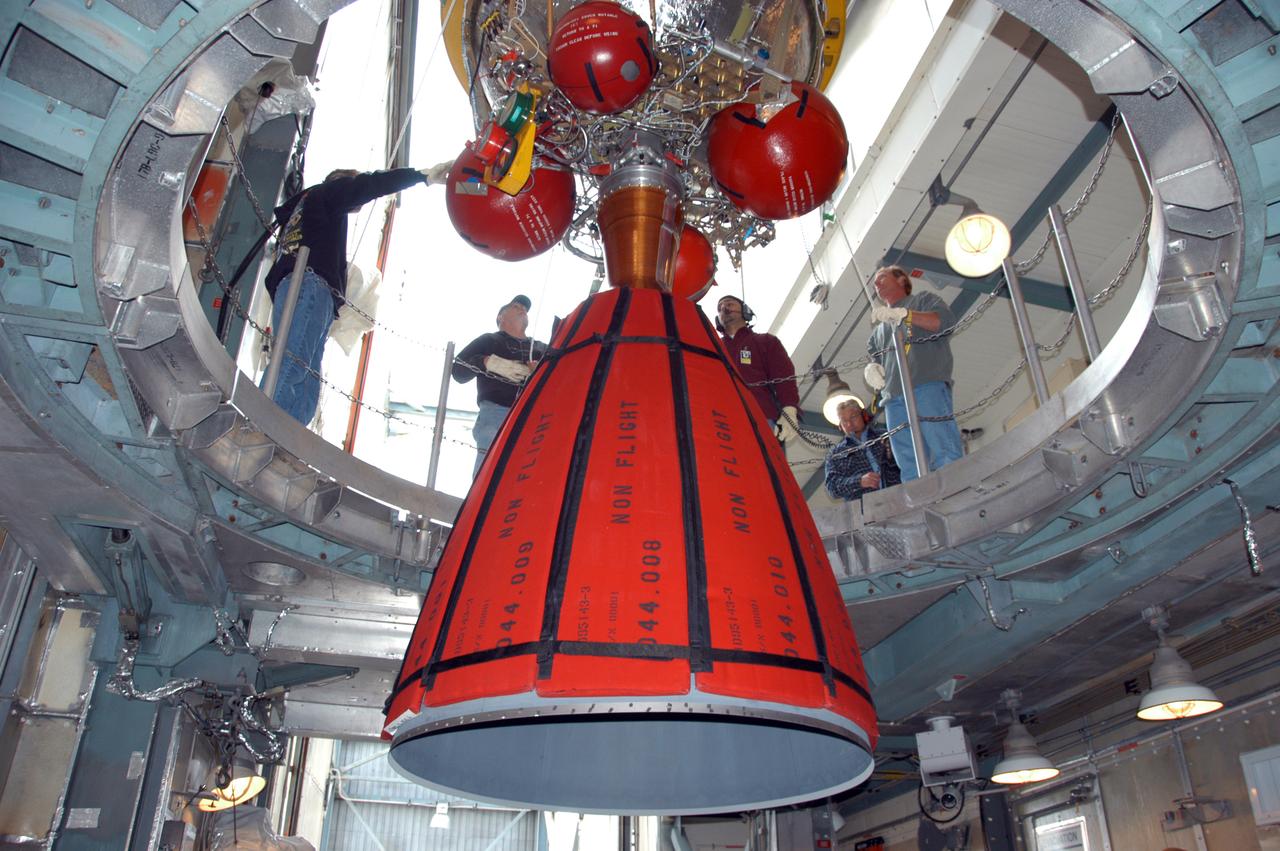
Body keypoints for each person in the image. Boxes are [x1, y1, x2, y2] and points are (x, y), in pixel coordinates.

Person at [263, 162, 451, 425]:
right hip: (309, 285)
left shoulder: (304, 204)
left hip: (292, 284)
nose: (357, 203)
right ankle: (259, 426)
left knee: (305, 374)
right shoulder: (331, 192)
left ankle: (286, 434)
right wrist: (420, 176)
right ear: (342, 181)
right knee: (295, 362)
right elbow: (371, 185)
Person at [864, 265, 964, 481]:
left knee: (941, 444)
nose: (877, 285)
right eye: (874, 283)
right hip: (893, 398)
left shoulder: (923, 300)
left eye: (882, 278)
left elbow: (943, 323)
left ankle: (956, 487)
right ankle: (920, 500)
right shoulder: (879, 331)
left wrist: (905, 315)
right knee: (907, 461)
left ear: (901, 280)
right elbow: (875, 356)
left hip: (926, 383)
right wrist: (872, 368)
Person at [453, 295, 547, 475]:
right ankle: (482, 501)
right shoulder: (489, 340)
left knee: (530, 469)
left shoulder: (542, 348)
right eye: (516, 306)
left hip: (535, 415)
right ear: (500, 317)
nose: (523, 309)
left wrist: (543, 368)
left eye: (525, 308)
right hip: (496, 411)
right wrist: (486, 362)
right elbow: (458, 371)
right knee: (489, 469)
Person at [715, 294, 802, 443]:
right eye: (720, 308)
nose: (724, 308)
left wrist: (789, 409)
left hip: (762, 418)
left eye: (729, 304)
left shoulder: (766, 341)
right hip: (719, 422)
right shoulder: (712, 346)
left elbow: (784, 376)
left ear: (745, 311)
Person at [824, 398, 901, 501]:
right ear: (840, 426)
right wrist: (859, 481)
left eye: (853, 417)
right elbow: (832, 487)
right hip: (866, 509)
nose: (849, 424)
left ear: (864, 416)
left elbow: (906, 461)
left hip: (900, 495)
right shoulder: (835, 454)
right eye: (844, 421)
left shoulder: (886, 436)